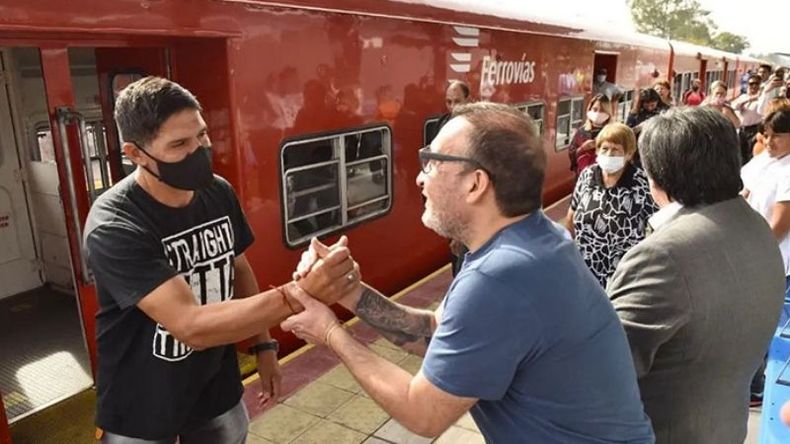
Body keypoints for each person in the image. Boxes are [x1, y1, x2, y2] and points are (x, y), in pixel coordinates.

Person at [284, 102, 655, 443]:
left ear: (475, 183)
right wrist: (350, 292)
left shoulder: (500, 276)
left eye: (432, 161)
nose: (419, 178)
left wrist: (331, 333)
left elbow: (423, 413)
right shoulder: (535, 239)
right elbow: (435, 332)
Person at [84, 77, 358, 443]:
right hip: (141, 404)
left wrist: (264, 346)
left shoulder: (217, 192)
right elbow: (190, 326)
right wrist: (299, 294)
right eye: (180, 144)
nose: (198, 151)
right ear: (135, 154)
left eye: (201, 136)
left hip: (215, 388)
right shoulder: (115, 224)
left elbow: (238, 267)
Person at [607, 107, 785, 443]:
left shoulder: (662, 255)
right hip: (724, 428)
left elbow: (605, 368)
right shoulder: (755, 226)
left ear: (658, 175)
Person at [564, 123, 657, 288]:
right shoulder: (587, 175)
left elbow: (658, 229)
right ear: (597, 151)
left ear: (629, 154)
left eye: (616, 150)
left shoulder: (642, 184)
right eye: (604, 148)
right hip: (584, 272)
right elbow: (571, 215)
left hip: (623, 276)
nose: (609, 154)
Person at [567, 93, 613, 176]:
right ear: (589, 109)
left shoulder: (612, 132)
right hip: (582, 176)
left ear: (608, 113)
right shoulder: (581, 131)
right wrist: (583, 147)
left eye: (602, 110)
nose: (598, 113)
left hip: (603, 177)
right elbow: (572, 153)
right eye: (595, 109)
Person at [732, 74, 764, 164]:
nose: (753, 86)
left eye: (756, 84)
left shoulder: (761, 100)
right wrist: (750, 99)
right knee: (739, 154)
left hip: (754, 130)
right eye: (751, 84)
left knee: (750, 154)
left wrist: (758, 97)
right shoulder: (743, 97)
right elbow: (734, 106)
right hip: (742, 130)